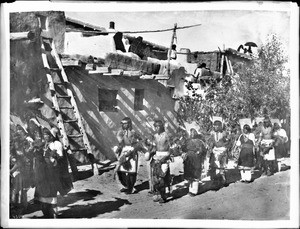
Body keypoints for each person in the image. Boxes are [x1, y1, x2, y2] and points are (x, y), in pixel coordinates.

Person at [33, 127, 66, 218]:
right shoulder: (43, 144)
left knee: (51, 192)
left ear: (52, 136)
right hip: (43, 172)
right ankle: (46, 214)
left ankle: (54, 215)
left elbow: (60, 157)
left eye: (48, 134)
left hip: (52, 172)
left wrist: (54, 158)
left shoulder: (57, 144)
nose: (46, 136)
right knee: (42, 193)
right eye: (45, 135)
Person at [114, 117, 142, 194]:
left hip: (132, 152)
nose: (123, 125)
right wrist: (119, 148)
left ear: (129, 124)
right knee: (120, 170)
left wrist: (132, 150)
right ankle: (127, 186)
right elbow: (121, 142)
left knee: (131, 171)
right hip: (124, 150)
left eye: (125, 123)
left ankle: (131, 188)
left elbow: (139, 142)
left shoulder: (133, 132)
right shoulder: (122, 132)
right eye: (122, 123)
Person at [148, 120, 172, 203]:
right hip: (157, 157)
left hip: (165, 157)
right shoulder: (155, 136)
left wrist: (167, 156)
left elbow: (171, 148)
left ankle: (163, 195)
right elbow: (154, 147)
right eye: (155, 126)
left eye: (158, 126)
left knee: (162, 176)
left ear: (162, 127)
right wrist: (150, 152)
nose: (156, 128)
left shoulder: (167, 135)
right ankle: (158, 193)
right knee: (155, 177)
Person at [181, 128, 207, 196]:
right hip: (189, 159)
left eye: (193, 132)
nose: (192, 134)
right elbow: (183, 148)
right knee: (190, 175)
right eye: (191, 133)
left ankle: (194, 191)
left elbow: (203, 151)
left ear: (196, 133)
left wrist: (199, 153)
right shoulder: (187, 141)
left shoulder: (200, 142)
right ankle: (190, 189)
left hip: (196, 159)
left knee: (195, 174)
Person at [207, 120, 230, 185]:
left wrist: (225, 146)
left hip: (222, 150)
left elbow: (228, 142)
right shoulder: (212, 133)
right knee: (213, 166)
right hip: (215, 151)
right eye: (215, 125)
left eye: (217, 125)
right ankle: (214, 181)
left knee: (222, 166)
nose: (216, 127)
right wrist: (210, 147)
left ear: (220, 126)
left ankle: (224, 180)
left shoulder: (224, 133)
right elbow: (210, 142)